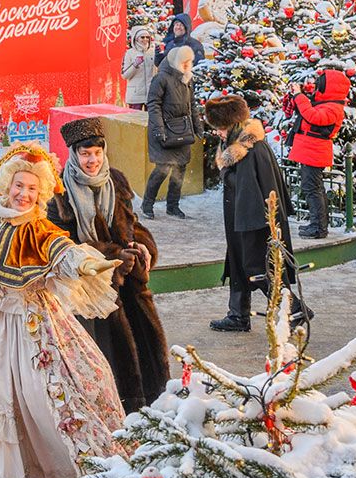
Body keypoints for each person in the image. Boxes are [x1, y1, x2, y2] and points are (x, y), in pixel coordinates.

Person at [0, 128, 126, 478]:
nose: (23, 194)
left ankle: (51, 470)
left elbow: (60, 251)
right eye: (19, 185)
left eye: (32, 189)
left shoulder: (39, 229)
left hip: (31, 324)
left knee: (39, 393)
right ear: (7, 184)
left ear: (41, 193)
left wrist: (85, 264)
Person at [45, 117, 168, 412]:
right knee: (107, 358)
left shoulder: (116, 180)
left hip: (128, 286)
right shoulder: (58, 192)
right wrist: (111, 258)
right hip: (90, 294)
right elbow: (62, 244)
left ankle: (146, 406)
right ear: (74, 154)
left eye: (97, 153)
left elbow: (131, 223)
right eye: (86, 154)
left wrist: (141, 245)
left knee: (142, 351)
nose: (92, 160)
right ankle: (111, 410)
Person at [204, 95, 309, 333]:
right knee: (238, 265)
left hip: (254, 222)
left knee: (258, 268)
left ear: (231, 124)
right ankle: (238, 315)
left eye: (220, 128)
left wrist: (225, 174)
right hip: (241, 219)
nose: (218, 133)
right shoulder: (237, 147)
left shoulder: (252, 149)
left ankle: (295, 310)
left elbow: (249, 186)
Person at [286, 68, 349, 239]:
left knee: (312, 189)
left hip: (314, 152)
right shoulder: (325, 104)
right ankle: (317, 225)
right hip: (310, 151)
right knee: (314, 189)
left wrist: (299, 96)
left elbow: (313, 117)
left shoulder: (334, 108)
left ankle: (318, 228)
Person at [142, 45, 200, 219]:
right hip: (165, 130)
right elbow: (153, 105)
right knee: (163, 169)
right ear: (176, 61)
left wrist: (198, 127)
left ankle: (173, 206)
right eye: (185, 62)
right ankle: (147, 204)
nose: (187, 65)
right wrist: (159, 130)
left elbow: (192, 105)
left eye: (189, 62)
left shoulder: (187, 79)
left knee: (180, 169)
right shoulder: (161, 78)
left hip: (181, 130)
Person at [122, 28, 158, 110]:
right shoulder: (129, 53)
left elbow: (157, 71)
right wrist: (135, 64)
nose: (145, 39)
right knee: (135, 120)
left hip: (150, 94)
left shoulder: (152, 52)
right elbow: (125, 75)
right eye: (142, 37)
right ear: (136, 38)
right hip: (135, 95)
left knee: (150, 120)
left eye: (147, 37)